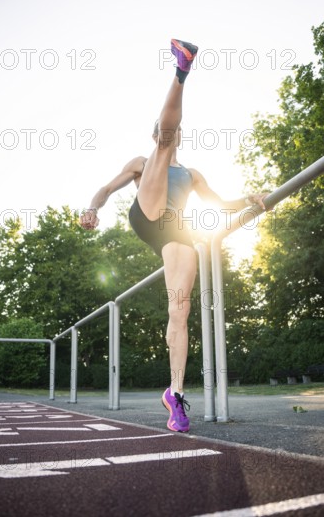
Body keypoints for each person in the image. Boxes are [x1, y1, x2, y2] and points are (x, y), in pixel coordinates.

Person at [81, 39, 267, 433]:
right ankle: (182, 70)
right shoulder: (142, 161)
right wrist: (92, 208)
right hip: (149, 212)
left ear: (181, 134)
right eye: (166, 127)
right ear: (158, 131)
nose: (171, 131)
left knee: (178, 311)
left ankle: (176, 393)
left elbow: (222, 204)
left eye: (175, 128)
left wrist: (251, 199)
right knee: (160, 154)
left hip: (177, 232)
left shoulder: (193, 173)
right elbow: (104, 189)